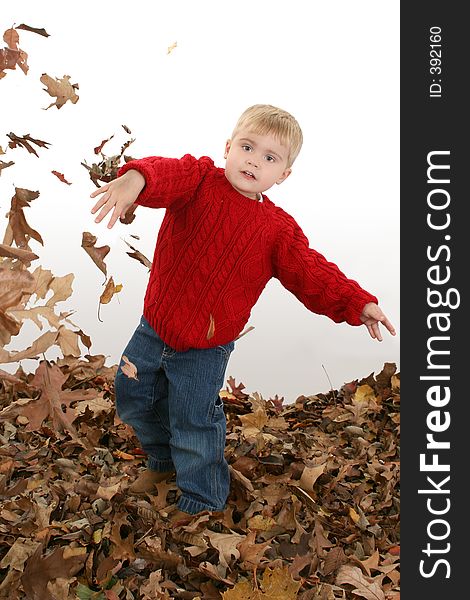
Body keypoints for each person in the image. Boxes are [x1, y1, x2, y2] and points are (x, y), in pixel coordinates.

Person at [90, 104, 396, 522]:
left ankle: (202, 502)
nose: (254, 160)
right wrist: (135, 179)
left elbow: (310, 271)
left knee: (194, 422)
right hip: (153, 328)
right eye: (247, 147)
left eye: (270, 158)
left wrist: (356, 302)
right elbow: (165, 172)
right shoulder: (198, 180)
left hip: (206, 347)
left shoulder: (276, 229)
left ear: (283, 175)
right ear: (228, 147)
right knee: (133, 398)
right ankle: (162, 463)